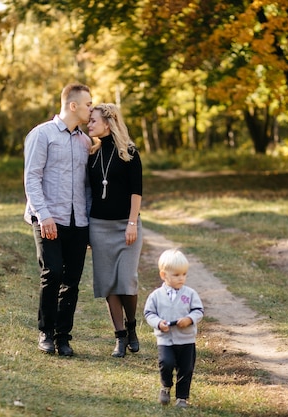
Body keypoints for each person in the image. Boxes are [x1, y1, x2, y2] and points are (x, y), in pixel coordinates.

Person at [23, 83, 93, 356]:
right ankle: (45, 333)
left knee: (72, 281)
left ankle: (63, 336)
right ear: (73, 105)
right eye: (88, 104)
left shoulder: (85, 141)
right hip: (49, 218)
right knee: (52, 274)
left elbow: (87, 186)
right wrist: (44, 216)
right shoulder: (42, 135)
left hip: (78, 222)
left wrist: (87, 222)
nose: (91, 108)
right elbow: (32, 177)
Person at [87, 103, 143, 358]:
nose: (89, 125)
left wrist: (132, 222)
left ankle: (132, 326)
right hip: (99, 226)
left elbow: (136, 191)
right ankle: (120, 337)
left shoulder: (130, 152)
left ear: (108, 123)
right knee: (109, 283)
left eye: (93, 121)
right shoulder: (91, 153)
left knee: (127, 281)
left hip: (126, 226)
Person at [144, 249, 204, 408]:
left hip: (186, 339)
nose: (181, 278)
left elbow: (198, 311)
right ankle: (165, 386)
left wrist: (189, 319)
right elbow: (149, 313)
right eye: (177, 275)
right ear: (164, 275)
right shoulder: (156, 296)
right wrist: (158, 323)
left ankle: (182, 398)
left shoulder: (190, 294)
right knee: (166, 362)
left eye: (184, 274)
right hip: (166, 339)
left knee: (186, 368)